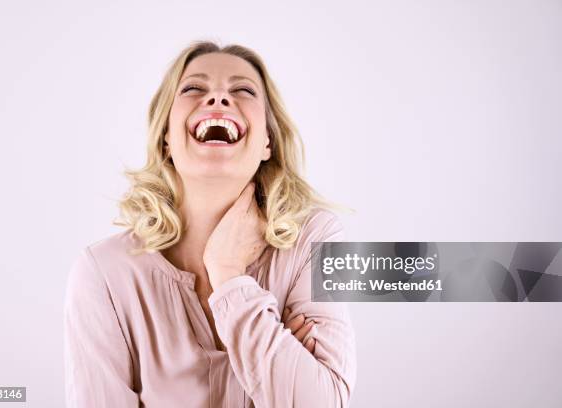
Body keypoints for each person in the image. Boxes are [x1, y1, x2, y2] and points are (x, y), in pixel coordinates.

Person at [64, 40, 357, 407]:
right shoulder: (103, 275)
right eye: (194, 88)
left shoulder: (316, 240)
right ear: (166, 138)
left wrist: (228, 274)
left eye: (243, 90)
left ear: (267, 140)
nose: (218, 98)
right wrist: (277, 356)